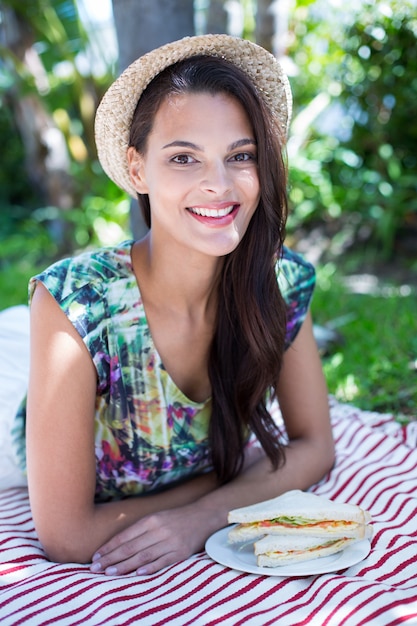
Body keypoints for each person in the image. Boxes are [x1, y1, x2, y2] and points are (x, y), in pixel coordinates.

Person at [14, 34, 335, 577]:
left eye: (241, 156)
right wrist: (232, 479)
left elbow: (315, 446)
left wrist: (205, 514)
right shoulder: (77, 304)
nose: (218, 183)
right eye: (184, 157)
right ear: (137, 170)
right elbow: (67, 537)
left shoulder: (276, 280)